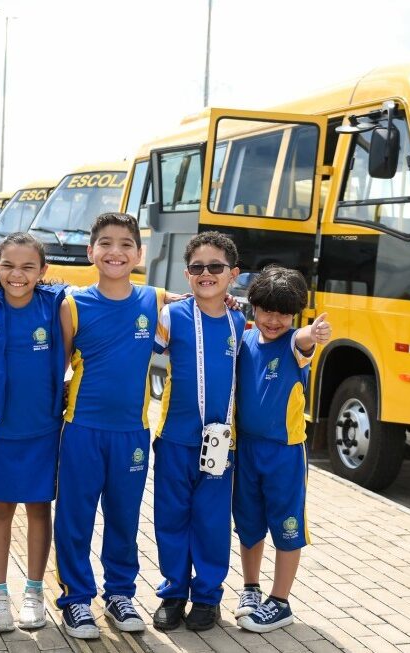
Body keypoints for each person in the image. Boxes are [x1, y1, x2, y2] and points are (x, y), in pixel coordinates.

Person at [54, 212, 164, 639]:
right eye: (105, 243)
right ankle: (76, 599)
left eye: (125, 244)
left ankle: (119, 594)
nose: (115, 251)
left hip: (132, 434)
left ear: (139, 253)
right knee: (75, 517)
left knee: (123, 518)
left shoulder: (155, 300)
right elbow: (57, 367)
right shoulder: (73, 304)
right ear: (91, 251)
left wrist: (227, 301)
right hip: (81, 429)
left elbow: (198, 306)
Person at [0, 232, 68, 633]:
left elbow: (115, 292)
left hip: (44, 424)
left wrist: (171, 297)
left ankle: (34, 592)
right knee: (1, 510)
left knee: (40, 508)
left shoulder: (57, 303)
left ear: (43, 271)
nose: (17, 275)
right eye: (8, 265)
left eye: (27, 267)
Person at [151, 231, 245, 632]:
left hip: (222, 444)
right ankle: (174, 592)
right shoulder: (172, 316)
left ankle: (208, 597)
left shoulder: (240, 320)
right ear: (186, 274)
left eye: (215, 267)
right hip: (175, 437)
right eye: (197, 267)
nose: (206, 274)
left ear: (233, 275)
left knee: (210, 520)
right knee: (171, 516)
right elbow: (141, 346)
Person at [232, 265, 331, 633]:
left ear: (294, 315)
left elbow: (305, 338)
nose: (274, 320)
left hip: (284, 453)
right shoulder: (244, 340)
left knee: (287, 525)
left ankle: (281, 600)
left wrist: (313, 332)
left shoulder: (294, 344)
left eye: (284, 313)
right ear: (253, 308)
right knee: (249, 523)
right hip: (246, 450)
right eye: (267, 310)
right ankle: (251, 588)